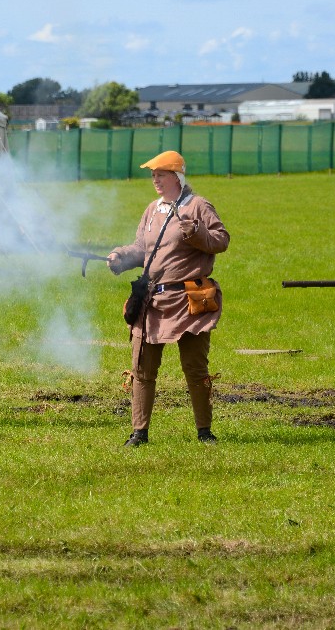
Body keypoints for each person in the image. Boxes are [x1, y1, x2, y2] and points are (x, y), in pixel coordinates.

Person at [107, 150, 230, 447]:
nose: (155, 180)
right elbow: (142, 249)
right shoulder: (152, 209)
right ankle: (139, 433)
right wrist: (121, 257)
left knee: (195, 368)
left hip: (190, 300)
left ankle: (204, 432)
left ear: (176, 176)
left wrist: (197, 233)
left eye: (160, 175)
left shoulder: (198, 206)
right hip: (153, 301)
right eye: (153, 175)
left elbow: (221, 240)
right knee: (142, 370)